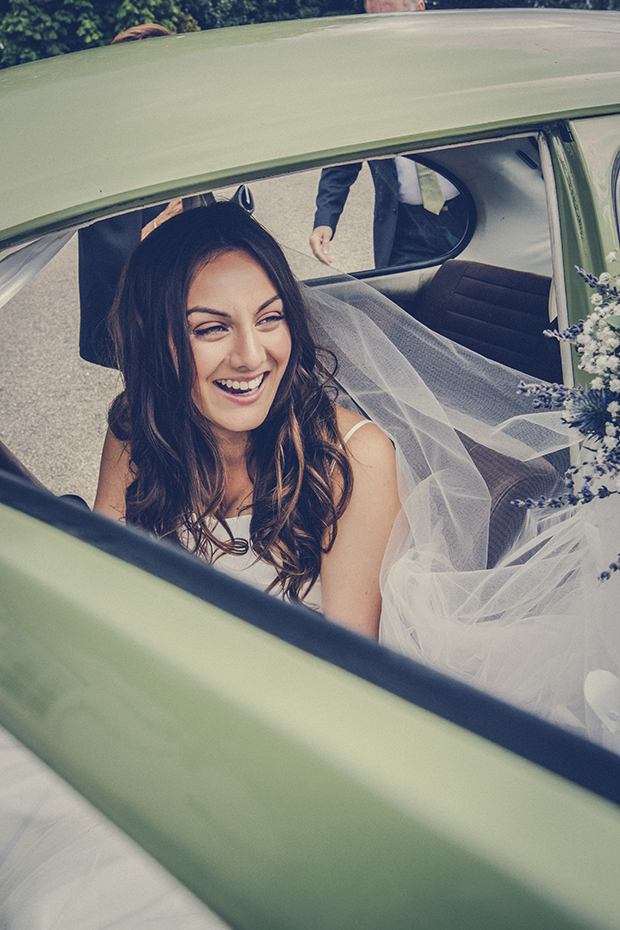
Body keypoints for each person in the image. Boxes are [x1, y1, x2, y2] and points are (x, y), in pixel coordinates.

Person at [94, 201, 401, 639]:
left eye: (269, 318)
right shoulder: (137, 426)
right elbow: (105, 581)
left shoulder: (353, 457)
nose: (251, 357)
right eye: (211, 328)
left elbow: (351, 663)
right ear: (153, 341)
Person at [309, 0, 467, 270]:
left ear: (419, 9)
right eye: (374, 23)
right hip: (404, 230)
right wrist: (325, 219)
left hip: (472, 213)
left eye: (393, 21)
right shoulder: (365, 79)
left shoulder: (457, 63)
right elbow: (348, 151)